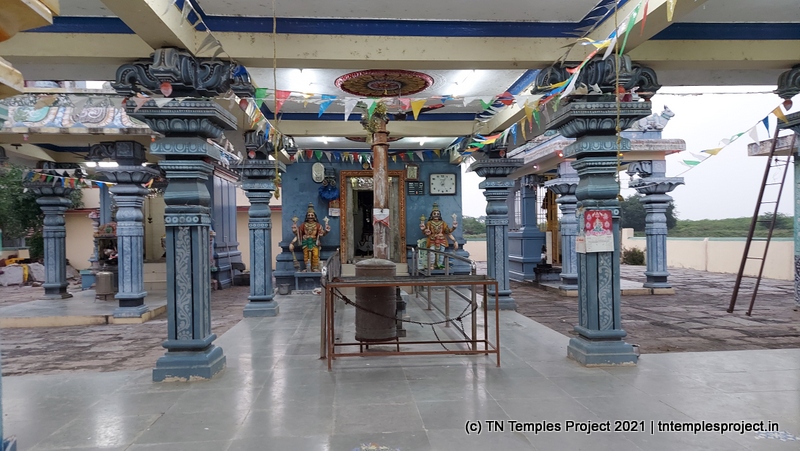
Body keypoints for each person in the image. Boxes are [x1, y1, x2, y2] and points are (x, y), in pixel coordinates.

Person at [290, 203, 330, 272]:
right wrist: (292, 242)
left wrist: (326, 231)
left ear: (314, 217)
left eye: (312, 215)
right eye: (309, 215)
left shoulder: (318, 225)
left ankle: (314, 267)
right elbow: (298, 234)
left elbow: (322, 234)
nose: (310, 217)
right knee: (306, 255)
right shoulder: (303, 225)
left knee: (315, 254)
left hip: (314, 242)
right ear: (306, 216)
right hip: (306, 242)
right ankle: (307, 267)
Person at [420, 203, 457, 269]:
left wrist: (454, 227)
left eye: (438, 214)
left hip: (442, 239)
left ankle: (440, 265)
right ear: (432, 215)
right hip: (432, 239)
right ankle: (432, 265)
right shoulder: (429, 223)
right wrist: (424, 229)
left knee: (441, 253)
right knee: (432, 252)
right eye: (434, 214)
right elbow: (426, 232)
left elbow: (447, 232)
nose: (436, 215)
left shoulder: (443, 223)